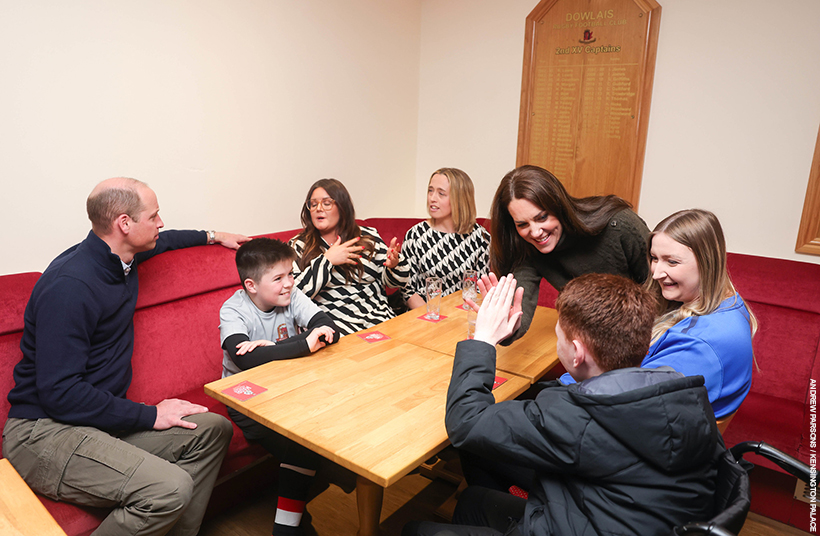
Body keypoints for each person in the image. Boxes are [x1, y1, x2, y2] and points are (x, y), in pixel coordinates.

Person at [3, 177, 249, 536]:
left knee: (212, 429)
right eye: (154, 216)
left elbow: (168, 240)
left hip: (95, 423)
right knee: (169, 488)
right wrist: (150, 415)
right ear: (124, 223)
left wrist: (214, 236)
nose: (160, 223)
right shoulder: (71, 286)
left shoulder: (122, 256)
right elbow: (60, 393)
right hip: (43, 433)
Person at [403, 273, 724, 536]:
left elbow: (465, 423)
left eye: (558, 333)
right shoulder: (681, 388)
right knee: (472, 499)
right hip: (616, 514)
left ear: (576, 351)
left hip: (580, 523)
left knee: (414, 530)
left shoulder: (577, 415)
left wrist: (484, 339)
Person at [219, 237, 340, 535]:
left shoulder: (292, 295)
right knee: (304, 450)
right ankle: (287, 528)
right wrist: (303, 344)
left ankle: (296, 521)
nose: (289, 283)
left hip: (286, 387)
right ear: (251, 285)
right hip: (246, 399)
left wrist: (273, 347)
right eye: (279, 278)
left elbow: (329, 329)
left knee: (327, 430)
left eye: (291, 274)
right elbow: (245, 360)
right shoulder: (233, 309)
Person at [487, 165, 649, 343]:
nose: (535, 232)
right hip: (594, 342)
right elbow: (519, 310)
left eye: (542, 218)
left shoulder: (619, 225)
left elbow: (657, 289)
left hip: (648, 338)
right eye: (522, 225)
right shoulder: (529, 249)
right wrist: (500, 322)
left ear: (559, 206)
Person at [640, 209, 757, 418]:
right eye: (654, 258)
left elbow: (634, 403)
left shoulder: (699, 343)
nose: (656, 273)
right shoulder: (729, 303)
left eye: (672, 262)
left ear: (707, 262)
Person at [289, 178, 410, 335]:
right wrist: (327, 260)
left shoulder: (367, 236)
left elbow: (396, 283)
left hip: (380, 319)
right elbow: (293, 295)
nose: (319, 208)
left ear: (342, 206)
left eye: (326, 203)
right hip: (337, 326)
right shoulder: (298, 245)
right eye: (313, 204)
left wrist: (393, 266)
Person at [402, 168, 491, 310]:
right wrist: (434, 318)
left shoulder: (481, 238)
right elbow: (408, 291)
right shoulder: (415, 235)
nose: (432, 198)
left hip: (462, 315)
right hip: (424, 316)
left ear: (460, 199)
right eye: (430, 191)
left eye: (441, 193)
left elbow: (480, 290)